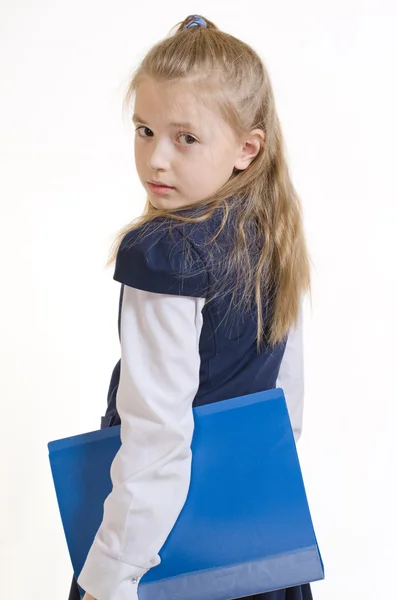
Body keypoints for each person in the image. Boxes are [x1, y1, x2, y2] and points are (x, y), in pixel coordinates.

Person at [69, 13, 313, 600]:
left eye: (186, 138)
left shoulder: (164, 251)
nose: (156, 159)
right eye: (144, 130)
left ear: (246, 149)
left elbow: (157, 437)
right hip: (247, 536)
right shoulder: (272, 233)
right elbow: (285, 412)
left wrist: (111, 575)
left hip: (162, 550)